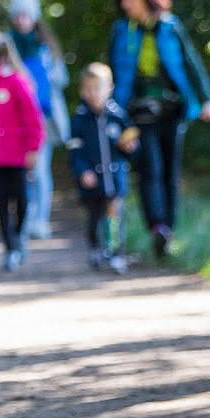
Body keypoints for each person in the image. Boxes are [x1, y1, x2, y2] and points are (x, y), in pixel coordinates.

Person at [108, 0, 210, 261]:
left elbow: (191, 63)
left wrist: (207, 100)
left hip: (173, 110)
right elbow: (112, 72)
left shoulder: (170, 26)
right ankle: (156, 225)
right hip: (139, 113)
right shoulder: (122, 31)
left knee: (170, 172)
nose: (125, 5)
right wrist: (113, 114)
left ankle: (168, 230)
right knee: (150, 169)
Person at [0, 30, 44, 272]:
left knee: (21, 200)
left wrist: (33, 148)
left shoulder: (15, 81)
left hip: (17, 156)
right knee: (1, 203)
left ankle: (20, 236)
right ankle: (10, 248)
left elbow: (32, 117)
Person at [6, 0, 69, 241]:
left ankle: (41, 220)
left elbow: (62, 79)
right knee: (24, 172)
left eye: (27, 16)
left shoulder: (46, 46)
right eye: (18, 16)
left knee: (41, 171)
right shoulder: (7, 45)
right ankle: (26, 217)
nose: (22, 21)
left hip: (44, 117)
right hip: (15, 120)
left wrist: (44, 77)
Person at [66, 62, 136, 272]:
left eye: (98, 88)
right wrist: (82, 171)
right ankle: (95, 247)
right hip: (91, 180)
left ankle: (115, 252)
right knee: (94, 216)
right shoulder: (80, 119)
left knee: (114, 214)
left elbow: (129, 144)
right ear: (82, 91)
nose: (94, 94)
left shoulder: (118, 115)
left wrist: (130, 147)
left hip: (115, 178)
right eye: (88, 89)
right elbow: (74, 150)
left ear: (110, 88)